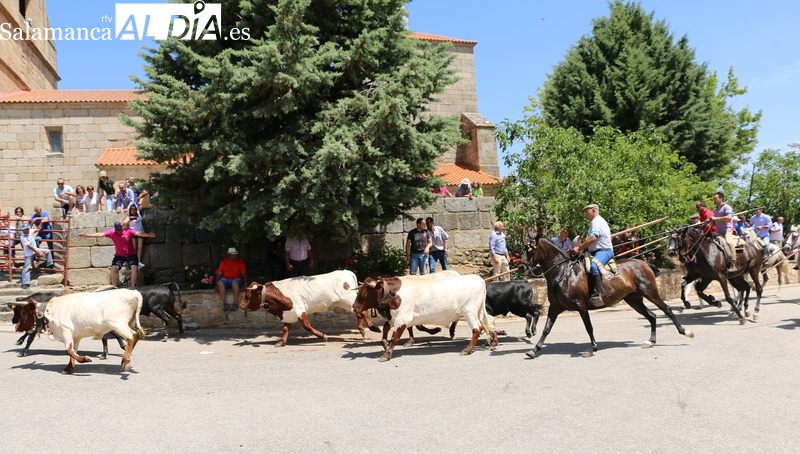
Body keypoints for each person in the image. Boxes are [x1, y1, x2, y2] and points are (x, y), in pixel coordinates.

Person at [79, 221, 156, 288]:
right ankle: (115, 287)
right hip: (119, 255)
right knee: (113, 268)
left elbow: (138, 233)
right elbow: (101, 234)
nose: (119, 232)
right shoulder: (112, 232)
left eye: (120, 230)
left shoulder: (128, 231)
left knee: (134, 268)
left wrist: (148, 235)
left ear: (122, 227)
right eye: (117, 230)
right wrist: (87, 235)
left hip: (131, 254)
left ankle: (132, 286)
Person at [571, 204, 613, 308]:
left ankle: (599, 294)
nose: (586, 215)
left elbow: (593, 238)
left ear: (593, 210)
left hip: (604, 251)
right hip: (595, 252)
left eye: (587, 212)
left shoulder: (596, 221)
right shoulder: (595, 222)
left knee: (594, 266)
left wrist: (579, 248)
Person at [19, 222, 54, 289]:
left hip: (35, 250)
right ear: (23, 230)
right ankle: (25, 283)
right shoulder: (23, 237)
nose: (27, 230)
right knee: (26, 268)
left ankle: (49, 265)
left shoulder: (30, 231)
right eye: (25, 229)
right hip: (29, 253)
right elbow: (30, 246)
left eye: (27, 229)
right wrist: (38, 252)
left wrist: (41, 222)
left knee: (48, 251)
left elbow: (37, 229)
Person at [710, 191, 736, 272]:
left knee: (728, 242)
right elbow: (714, 221)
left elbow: (728, 218)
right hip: (718, 231)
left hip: (727, 229)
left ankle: (733, 262)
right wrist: (710, 221)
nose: (714, 200)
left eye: (715, 199)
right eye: (713, 199)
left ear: (721, 198)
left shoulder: (727, 207)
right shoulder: (715, 210)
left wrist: (715, 218)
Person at [215, 247, 247, 311]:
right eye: (233, 255)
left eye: (235, 254)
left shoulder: (240, 262)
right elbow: (219, 274)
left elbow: (244, 274)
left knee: (234, 283)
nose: (235, 256)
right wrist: (216, 285)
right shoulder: (223, 262)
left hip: (237, 279)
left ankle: (235, 303)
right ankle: (225, 304)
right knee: (220, 283)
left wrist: (245, 284)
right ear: (229, 255)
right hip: (226, 279)